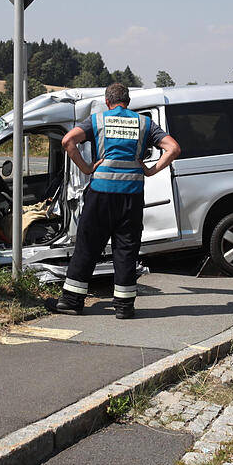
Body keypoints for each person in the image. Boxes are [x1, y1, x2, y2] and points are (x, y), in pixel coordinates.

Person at [47, 83, 181, 319]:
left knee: (88, 245)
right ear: (128, 102)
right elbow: (173, 148)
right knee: (126, 249)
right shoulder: (144, 123)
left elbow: (68, 141)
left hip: (101, 194)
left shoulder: (98, 120)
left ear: (107, 102)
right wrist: (150, 170)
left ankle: (71, 301)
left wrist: (87, 168)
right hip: (131, 196)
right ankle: (124, 306)